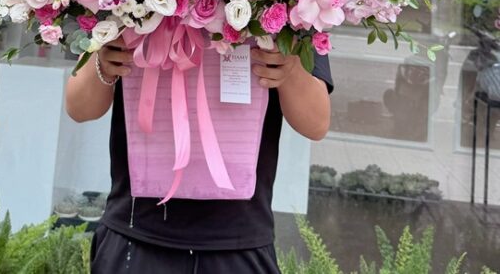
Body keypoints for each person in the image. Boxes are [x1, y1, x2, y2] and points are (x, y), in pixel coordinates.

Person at [66, 36, 333, 273]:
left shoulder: (286, 5)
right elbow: (79, 108)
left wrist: (290, 67)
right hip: (135, 235)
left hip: (240, 240)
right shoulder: (122, 0)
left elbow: (316, 123)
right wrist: (102, 62)